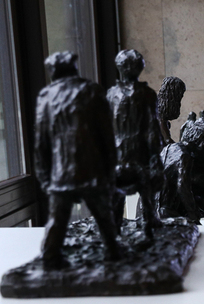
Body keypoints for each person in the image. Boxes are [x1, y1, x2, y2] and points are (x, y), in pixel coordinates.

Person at [33, 51, 121, 269]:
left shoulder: (46, 96)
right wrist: (110, 169)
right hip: (92, 170)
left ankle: (50, 258)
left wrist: (44, 178)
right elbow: (107, 136)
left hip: (61, 174)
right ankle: (113, 254)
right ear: (73, 68)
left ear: (53, 72)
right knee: (104, 217)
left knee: (57, 222)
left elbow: (41, 143)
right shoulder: (92, 90)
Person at [106, 49, 164, 239]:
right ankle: (147, 225)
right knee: (146, 192)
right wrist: (156, 154)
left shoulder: (111, 94)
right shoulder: (147, 94)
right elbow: (153, 127)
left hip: (120, 153)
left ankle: (116, 229)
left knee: (120, 194)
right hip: (138, 152)